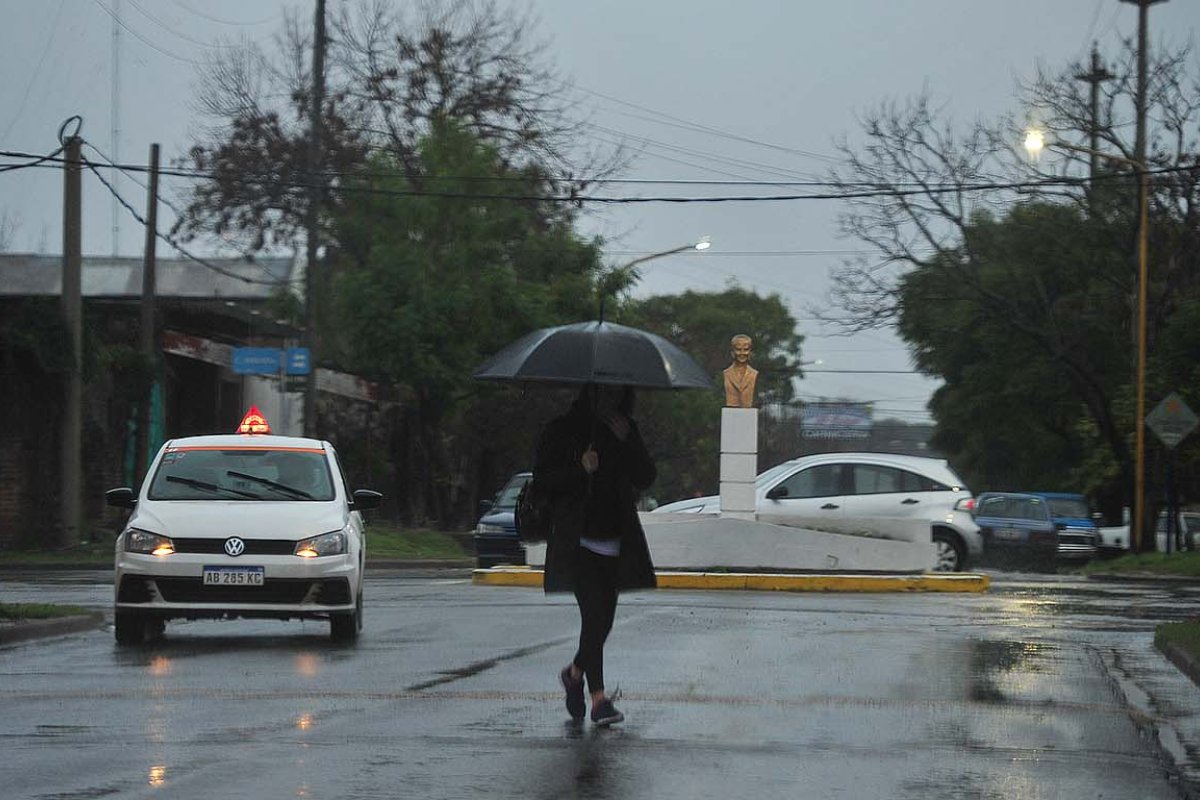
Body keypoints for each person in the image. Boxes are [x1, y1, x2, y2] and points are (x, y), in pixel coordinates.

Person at [534, 383, 657, 726]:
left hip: (615, 539)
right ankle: (599, 700)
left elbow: (646, 477)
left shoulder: (624, 427)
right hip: (577, 540)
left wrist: (627, 440)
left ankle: (574, 674)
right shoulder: (563, 430)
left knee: (604, 622)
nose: (609, 399)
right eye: (603, 392)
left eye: (616, 393)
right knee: (594, 618)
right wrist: (581, 468)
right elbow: (543, 481)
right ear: (590, 392)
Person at [723, 334, 758, 408]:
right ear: (732, 352)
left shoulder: (754, 374)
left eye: (746, 349)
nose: (742, 353)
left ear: (750, 352)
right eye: (738, 349)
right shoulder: (727, 373)